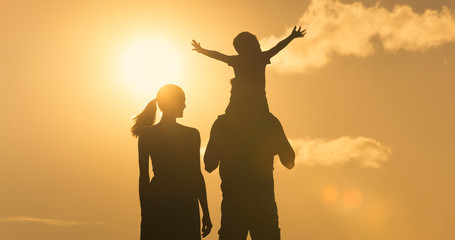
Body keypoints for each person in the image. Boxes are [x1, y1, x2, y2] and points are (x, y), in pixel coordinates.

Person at [131, 84, 212, 240]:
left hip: (158, 200)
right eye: (182, 101)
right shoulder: (191, 135)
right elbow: (196, 175)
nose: (185, 105)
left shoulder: (147, 135)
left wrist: (145, 210)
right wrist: (206, 213)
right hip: (185, 201)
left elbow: (143, 178)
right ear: (173, 103)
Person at [204, 113, 295, 240]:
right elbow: (289, 161)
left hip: (234, 202)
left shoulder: (222, 124)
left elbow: (209, 165)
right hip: (262, 201)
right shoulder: (270, 122)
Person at [191, 26, 306, 116]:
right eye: (257, 44)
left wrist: (202, 50)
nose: (259, 46)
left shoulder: (238, 60)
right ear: (253, 45)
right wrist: (291, 37)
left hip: (241, 102)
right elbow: (277, 47)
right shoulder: (260, 57)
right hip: (256, 102)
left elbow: (219, 55)